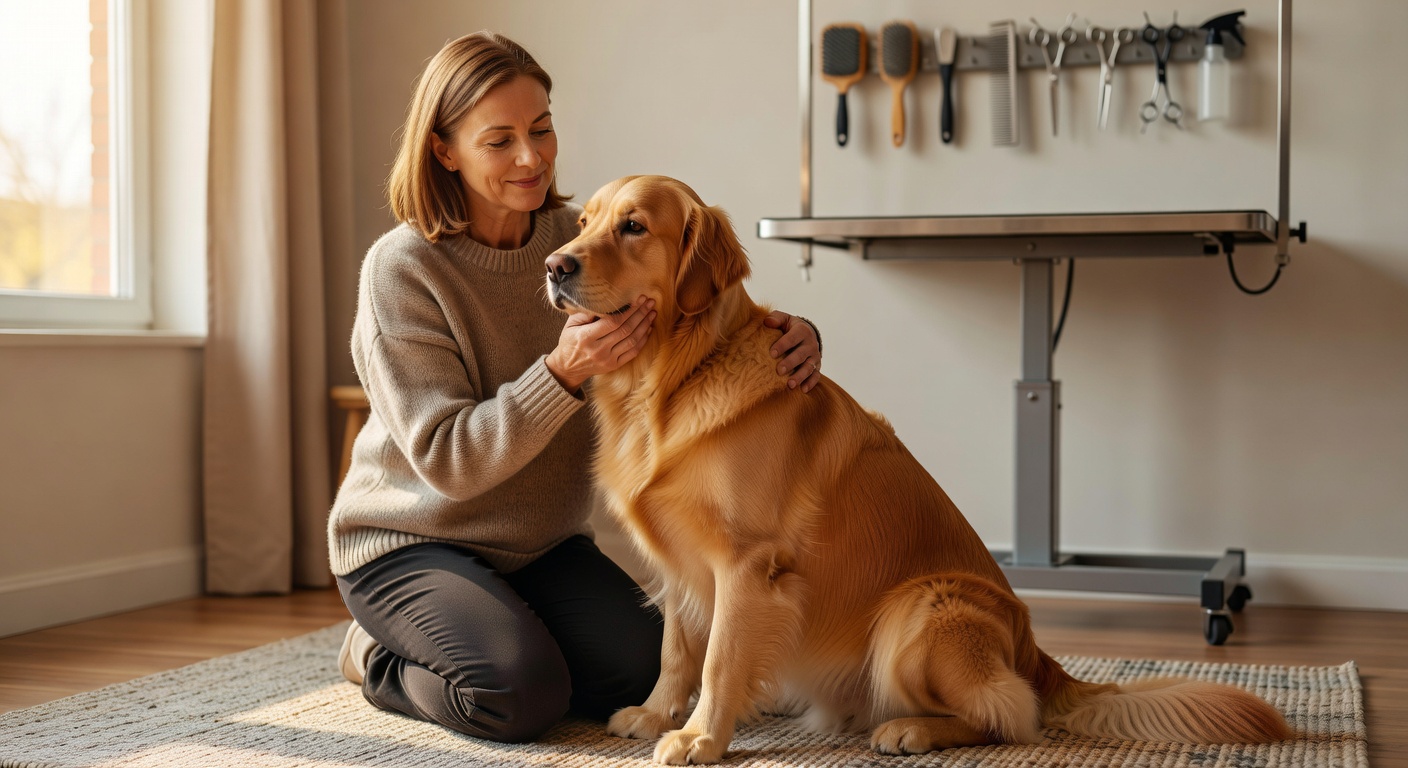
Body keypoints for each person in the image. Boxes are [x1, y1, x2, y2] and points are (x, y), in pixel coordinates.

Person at [327, 31, 824, 744]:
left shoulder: (582, 235)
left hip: (540, 546)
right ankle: (374, 654)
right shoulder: (401, 270)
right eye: (499, 141)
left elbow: (699, 306)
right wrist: (561, 372)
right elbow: (446, 463)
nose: (531, 158)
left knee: (635, 674)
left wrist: (793, 331)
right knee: (518, 695)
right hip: (412, 542)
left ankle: (502, 624)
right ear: (445, 150)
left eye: (542, 129)